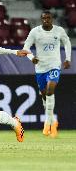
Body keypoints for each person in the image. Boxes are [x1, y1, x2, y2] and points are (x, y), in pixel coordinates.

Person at [23, 10, 72, 138]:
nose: (46, 20)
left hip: (54, 65)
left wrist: (68, 59)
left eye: (48, 18)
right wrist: (31, 58)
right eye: (44, 18)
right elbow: (26, 47)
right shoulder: (35, 32)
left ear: (52, 19)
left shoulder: (59, 31)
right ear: (41, 19)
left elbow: (67, 42)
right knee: (45, 96)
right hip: (40, 68)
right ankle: (52, 122)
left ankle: (47, 123)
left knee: (50, 91)